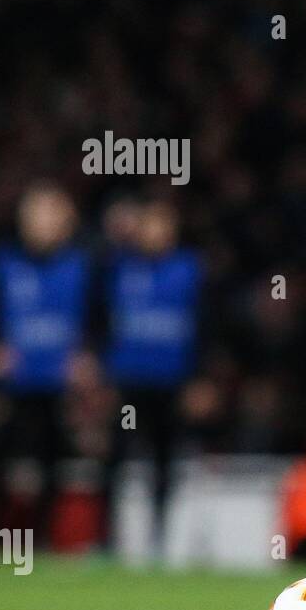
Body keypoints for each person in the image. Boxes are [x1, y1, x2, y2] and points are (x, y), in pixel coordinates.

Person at [0, 184, 92, 543]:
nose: (42, 224)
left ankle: (43, 540)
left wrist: (86, 357)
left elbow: (102, 320)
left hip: (60, 383)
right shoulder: (1, 263)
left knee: (53, 459)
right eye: (35, 215)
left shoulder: (84, 266)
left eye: (50, 215)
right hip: (11, 382)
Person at [99, 200, 201, 553]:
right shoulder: (117, 267)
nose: (155, 232)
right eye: (148, 224)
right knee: (114, 460)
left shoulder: (190, 269)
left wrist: (199, 379)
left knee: (165, 464)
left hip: (171, 384)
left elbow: (205, 327)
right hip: (126, 383)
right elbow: (98, 320)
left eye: (162, 224)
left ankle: (159, 543)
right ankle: (108, 541)